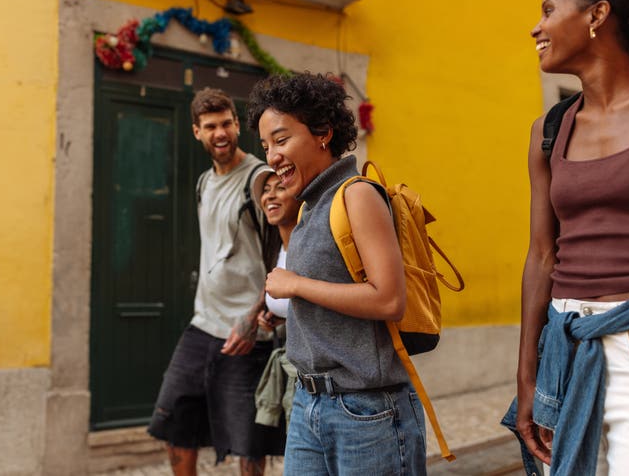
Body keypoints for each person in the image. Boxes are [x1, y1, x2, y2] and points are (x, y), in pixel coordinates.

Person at [510, 0, 629, 474]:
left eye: (549, 11)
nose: (537, 27)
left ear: (596, 16)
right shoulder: (548, 130)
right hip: (563, 350)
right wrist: (526, 378)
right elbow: (541, 255)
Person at [247, 73, 427, 475]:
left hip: (367, 410)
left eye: (281, 140)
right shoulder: (310, 206)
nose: (272, 156)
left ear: (323, 133)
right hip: (309, 404)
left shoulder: (357, 195)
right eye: (265, 146)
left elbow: (388, 299)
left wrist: (296, 285)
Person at [148, 87, 284, 476]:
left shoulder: (260, 180)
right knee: (175, 419)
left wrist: (254, 314)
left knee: (249, 441)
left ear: (237, 124)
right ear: (197, 132)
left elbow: (283, 257)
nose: (220, 132)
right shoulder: (204, 183)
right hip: (202, 323)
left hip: (247, 329)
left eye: (226, 123)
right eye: (210, 126)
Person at [251, 170, 300, 429]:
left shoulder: (308, 249)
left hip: (311, 378)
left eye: (279, 187)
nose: (270, 195)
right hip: (290, 368)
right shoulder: (277, 250)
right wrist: (278, 320)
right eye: (266, 190)